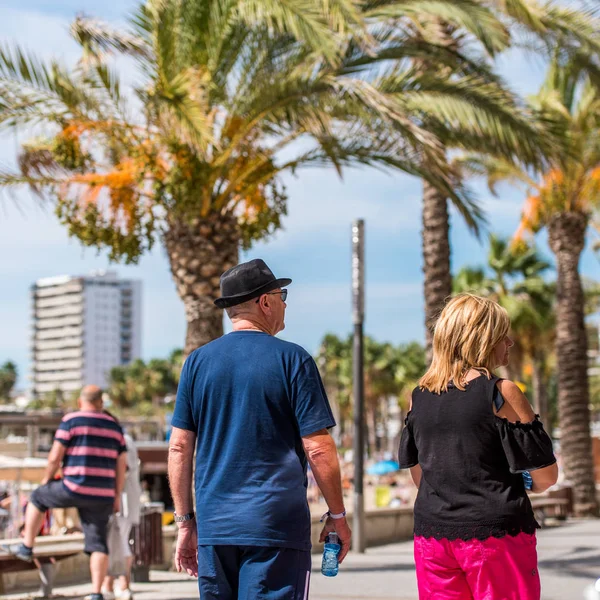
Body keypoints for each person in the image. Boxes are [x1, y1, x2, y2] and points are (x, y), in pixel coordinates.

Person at [168, 258, 351, 599]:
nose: (284, 303)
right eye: (281, 294)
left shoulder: (196, 362)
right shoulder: (293, 360)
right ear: (264, 302)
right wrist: (337, 515)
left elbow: (179, 447)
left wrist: (184, 522)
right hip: (274, 528)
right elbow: (318, 448)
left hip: (215, 529)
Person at [398, 293, 558, 600]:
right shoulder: (501, 392)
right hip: (495, 536)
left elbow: (419, 474)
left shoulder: (419, 396)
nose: (509, 342)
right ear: (481, 339)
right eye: (503, 335)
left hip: (433, 536)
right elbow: (547, 476)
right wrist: (529, 484)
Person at [3, 386, 127, 600]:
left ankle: (26, 546)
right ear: (101, 403)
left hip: (74, 486)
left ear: (81, 402)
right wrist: (116, 495)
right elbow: (121, 465)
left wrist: (46, 479)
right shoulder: (115, 427)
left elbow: (54, 457)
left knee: (37, 497)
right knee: (98, 543)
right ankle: (96, 593)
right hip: (103, 493)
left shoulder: (71, 421)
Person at [102, 432, 142, 600]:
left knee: (116, 542)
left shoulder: (121, 440)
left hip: (121, 499)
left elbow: (123, 467)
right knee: (120, 541)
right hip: (125, 499)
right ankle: (117, 585)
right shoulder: (125, 440)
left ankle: (115, 585)